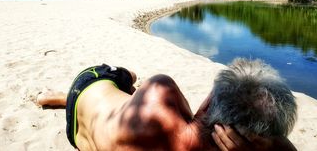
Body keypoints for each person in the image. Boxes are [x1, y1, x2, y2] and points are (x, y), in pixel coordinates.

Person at [37, 59, 297, 150]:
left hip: (88, 85)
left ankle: (59, 97)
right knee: (132, 84)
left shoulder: (162, 89)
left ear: (207, 104)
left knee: (134, 80)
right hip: (77, 135)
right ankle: (61, 97)